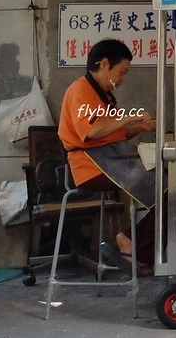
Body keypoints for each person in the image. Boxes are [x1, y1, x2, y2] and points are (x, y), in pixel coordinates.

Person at [58, 39, 158, 275]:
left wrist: (140, 128)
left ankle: (136, 248)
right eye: (121, 73)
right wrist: (128, 117)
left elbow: (115, 132)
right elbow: (91, 131)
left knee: (169, 189)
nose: (122, 79)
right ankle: (129, 243)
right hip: (90, 166)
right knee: (165, 190)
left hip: (110, 159)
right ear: (104, 64)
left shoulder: (104, 96)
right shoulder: (79, 91)